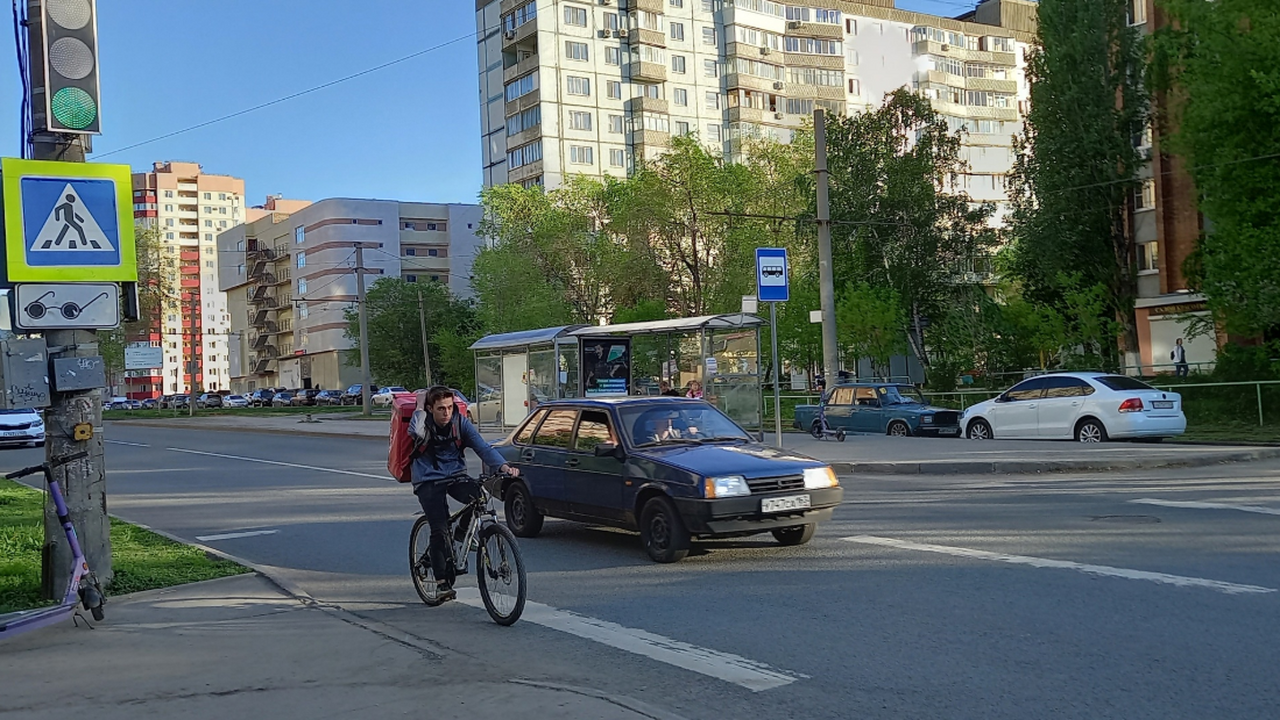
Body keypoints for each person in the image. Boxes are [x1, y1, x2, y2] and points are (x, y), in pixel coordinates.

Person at [408, 385, 518, 603]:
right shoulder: (423, 423)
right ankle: (441, 584)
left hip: (455, 475)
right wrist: (420, 406)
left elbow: (483, 448)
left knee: (479, 496)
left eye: (449, 407)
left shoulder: (460, 423)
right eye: (440, 409)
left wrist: (504, 467)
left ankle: (460, 535)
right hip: (428, 479)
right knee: (439, 528)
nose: (446, 413)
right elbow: (415, 432)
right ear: (431, 409)